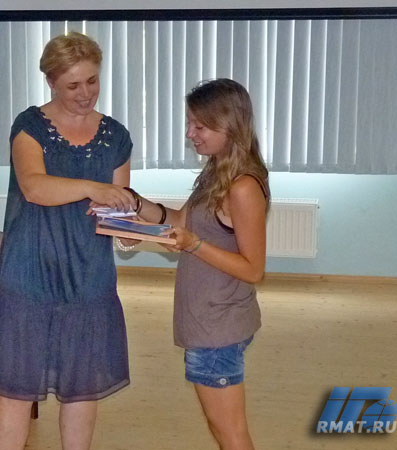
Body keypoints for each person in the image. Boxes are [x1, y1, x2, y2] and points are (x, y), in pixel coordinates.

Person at [0, 32, 136, 450]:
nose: (85, 93)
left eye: (92, 81)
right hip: (29, 273)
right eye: (73, 85)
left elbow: (116, 206)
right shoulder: (30, 127)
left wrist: (130, 230)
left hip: (89, 275)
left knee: (82, 388)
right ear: (51, 82)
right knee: (17, 388)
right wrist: (92, 187)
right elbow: (35, 187)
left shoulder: (116, 136)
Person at [125, 79, 269, 449]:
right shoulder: (216, 172)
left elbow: (253, 269)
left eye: (200, 126)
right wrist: (134, 207)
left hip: (218, 327)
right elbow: (180, 222)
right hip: (206, 323)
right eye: (190, 123)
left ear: (229, 127)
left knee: (231, 434)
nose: (190, 134)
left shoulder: (243, 187)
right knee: (224, 431)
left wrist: (195, 245)